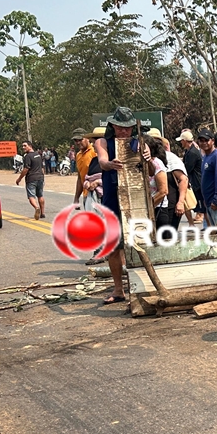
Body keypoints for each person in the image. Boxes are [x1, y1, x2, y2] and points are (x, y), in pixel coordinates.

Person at [90, 106, 139, 304]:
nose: (124, 132)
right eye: (120, 127)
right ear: (113, 125)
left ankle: (140, 287)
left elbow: (151, 169)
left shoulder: (139, 143)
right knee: (113, 246)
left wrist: (147, 158)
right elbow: (102, 162)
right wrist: (111, 164)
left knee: (138, 245)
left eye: (127, 128)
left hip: (136, 200)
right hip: (112, 199)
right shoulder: (102, 142)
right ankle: (119, 289)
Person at [197, 129, 217, 231]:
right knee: (216, 231)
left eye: (206, 140)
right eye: (201, 141)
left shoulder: (216, 156)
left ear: (212, 141)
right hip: (209, 201)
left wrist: (216, 200)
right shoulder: (205, 156)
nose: (204, 143)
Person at [141, 134, 171, 229]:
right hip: (143, 210)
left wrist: (149, 206)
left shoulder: (157, 164)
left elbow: (164, 191)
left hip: (158, 210)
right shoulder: (138, 164)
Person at [177, 130, 203, 226]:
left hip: (197, 182)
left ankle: (207, 224)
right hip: (192, 181)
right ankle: (192, 223)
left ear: (185, 140)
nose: (180, 142)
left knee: (202, 205)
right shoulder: (188, 151)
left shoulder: (193, 153)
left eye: (181, 140)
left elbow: (187, 168)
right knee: (187, 203)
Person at [16, 141, 45, 220]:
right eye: (22, 146)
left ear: (30, 146)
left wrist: (19, 179)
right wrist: (42, 177)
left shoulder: (27, 156)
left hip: (31, 179)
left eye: (25, 146)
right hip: (40, 178)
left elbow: (26, 169)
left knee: (31, 196)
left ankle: (36, 207)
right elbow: (42, 168)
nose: (23, 147)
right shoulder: (38, 155)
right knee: (40, 195)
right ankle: (42, 213)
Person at [71, 129, 97, 208]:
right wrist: (76, 198)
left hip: (97, 194)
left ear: (87, 139)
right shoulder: (78, 155)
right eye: (76, 140)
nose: (78, 143)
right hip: (86, 195)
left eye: (80, 140)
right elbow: (80, 178)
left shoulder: (94, 151)